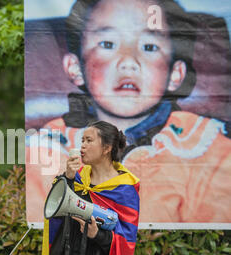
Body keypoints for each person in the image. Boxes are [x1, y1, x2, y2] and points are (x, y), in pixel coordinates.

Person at [27, 0, 231, 224]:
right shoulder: (52, 145)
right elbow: (44, 218)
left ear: (175, 74)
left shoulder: (204, 147)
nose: (128, 61)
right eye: (107, 44)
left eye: (149, 47)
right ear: (75, 68)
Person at [42, 120, 140, 255]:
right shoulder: (77, 176)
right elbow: (55, 211)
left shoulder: (124, 189)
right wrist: (68, 179)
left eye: (89, 141)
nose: (82, 146)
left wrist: (98, 235)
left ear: (106, 148)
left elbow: (126, 242)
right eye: (82, 141)